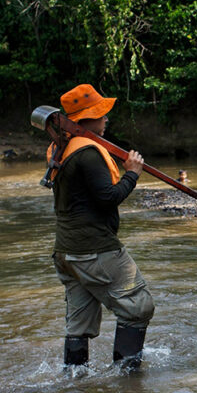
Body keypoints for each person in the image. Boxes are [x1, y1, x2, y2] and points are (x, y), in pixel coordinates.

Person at [50, 83, 153, 372]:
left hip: (66, 251)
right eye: (102, 114)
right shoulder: (88, 153)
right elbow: (108, 198)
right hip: (93, 248)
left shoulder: (64, 148)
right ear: (87, 120)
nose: (106, 120)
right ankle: (127, 381)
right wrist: (132, 173)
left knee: (79, 323)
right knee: (138, 306)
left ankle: (75, 381)